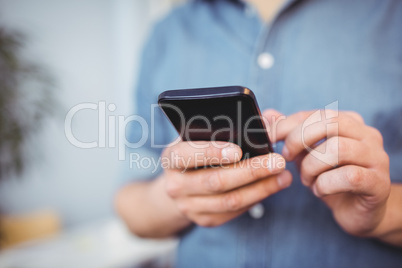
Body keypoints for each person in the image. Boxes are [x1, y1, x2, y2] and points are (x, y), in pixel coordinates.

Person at [115, 0, 402, 267]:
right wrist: (175, 196)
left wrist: (385, 212)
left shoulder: (392, 16)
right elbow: (130, 208)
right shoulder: (170, 32)